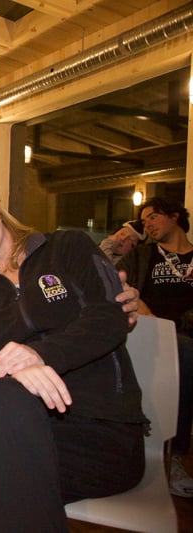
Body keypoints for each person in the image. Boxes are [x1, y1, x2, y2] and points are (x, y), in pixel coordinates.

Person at [0, 181, 148, 532]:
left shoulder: (68, 246)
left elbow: (109, 318)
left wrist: (37, 355)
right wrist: (19, 375)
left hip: (101, 432)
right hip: (18, 422)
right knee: (0, 412)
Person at [116, 196, 193, 497]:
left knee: (186, 350)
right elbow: (114, 280)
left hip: (186, 333)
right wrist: (146, 311)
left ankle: (172, 453)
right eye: (144, 219)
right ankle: (171, 454)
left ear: (174, 216)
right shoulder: (143, 256)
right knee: (185, 352)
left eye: (153, 216)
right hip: (147, 331)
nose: (146, 223)